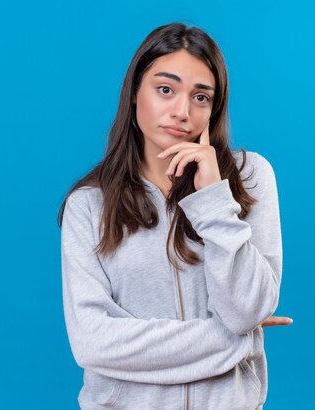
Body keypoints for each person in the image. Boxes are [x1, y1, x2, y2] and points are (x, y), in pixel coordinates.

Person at [57, 22, 292, 410]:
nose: (182, 111)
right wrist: (235, 338)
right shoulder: (89, 205)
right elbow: (94, 343)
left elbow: (247, 309)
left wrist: (214, 198)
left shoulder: (250, 178)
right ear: (135, 92)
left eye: (201, 97)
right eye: (165, 90)